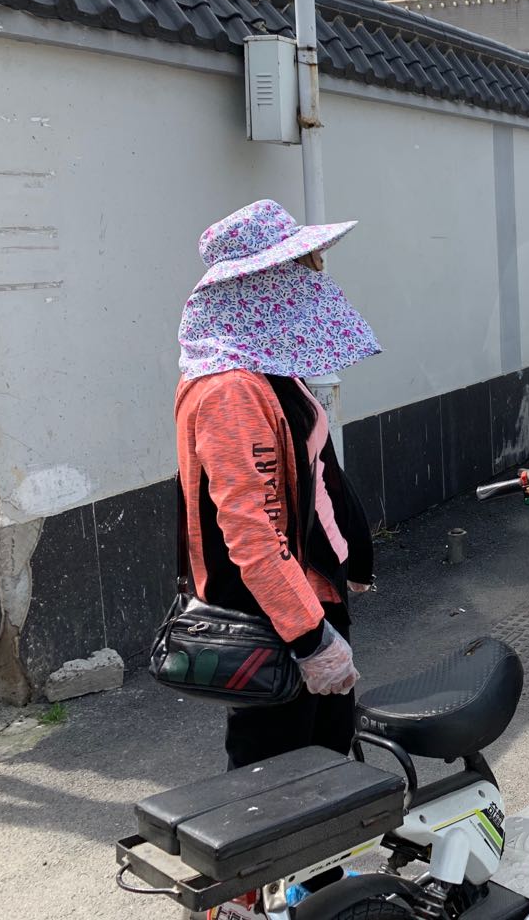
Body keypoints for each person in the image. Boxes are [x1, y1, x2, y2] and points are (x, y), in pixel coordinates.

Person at [175, 199, 382, 772]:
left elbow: (316, 473)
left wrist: (350, 558)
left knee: (325, 765)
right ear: (261, 284)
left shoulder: (267, 367)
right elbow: (253, 533)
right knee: (277, 784)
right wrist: (311, 639)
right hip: (274, 620)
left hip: (309, 596)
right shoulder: (231, 390)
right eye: (302, 265)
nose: (317, 275)